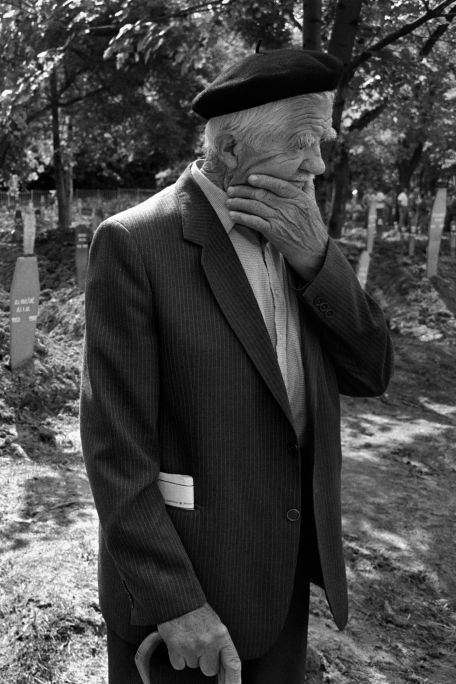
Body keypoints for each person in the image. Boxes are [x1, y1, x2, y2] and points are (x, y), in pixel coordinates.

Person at [80, 48, 393, 683]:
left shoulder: (300, 234)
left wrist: (316, 263)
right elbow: (115, 447)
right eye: (302, 143)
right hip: (185, 613)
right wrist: (177, 604)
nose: (319, 164)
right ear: (230, 154)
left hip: (279, 589)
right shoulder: (137, 244)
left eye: (323, 142)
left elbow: (372, 371)